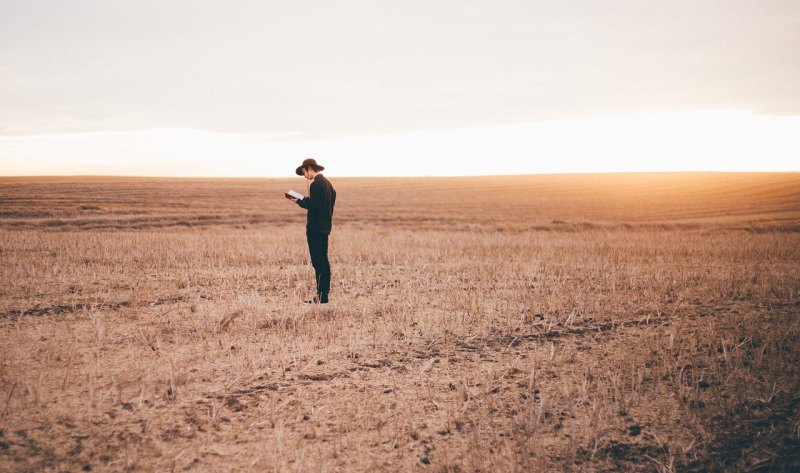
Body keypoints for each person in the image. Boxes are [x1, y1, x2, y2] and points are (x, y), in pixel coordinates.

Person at [288, 158, 336, 304]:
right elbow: (324, 204)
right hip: (325, 227)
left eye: (304, 172)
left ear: (309, 168)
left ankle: (321, 296)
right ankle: (324, 295)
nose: (304, 176)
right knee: (324, 261)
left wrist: (299, 201)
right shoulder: (328, 184)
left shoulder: (316, 184)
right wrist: (307, 200)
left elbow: (315, 207)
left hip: (315, 228)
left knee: (317, 262)